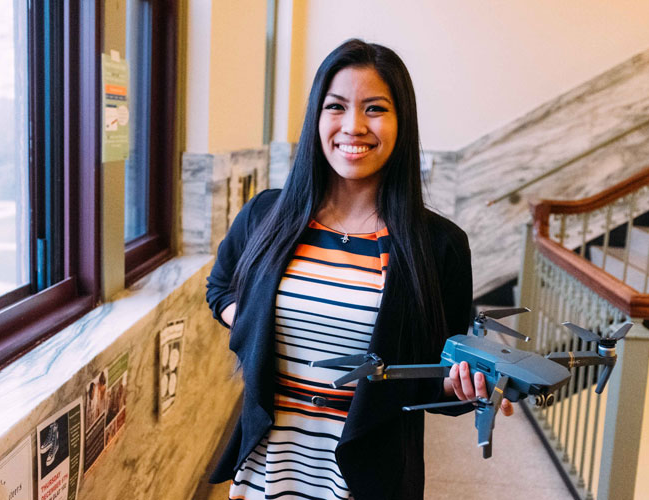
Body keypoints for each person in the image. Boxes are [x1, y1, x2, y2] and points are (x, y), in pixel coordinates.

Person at [206, 39, 513, 500]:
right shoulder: (265, 216)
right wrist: (251, 323)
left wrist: (462, 386)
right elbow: (220, 289)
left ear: (400, 121)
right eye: (337, 106)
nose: (353, 126)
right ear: (317, 117)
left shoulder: (439, 246)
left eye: (375, 109)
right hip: (270, 470)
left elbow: (436, 376)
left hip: (367, 480)